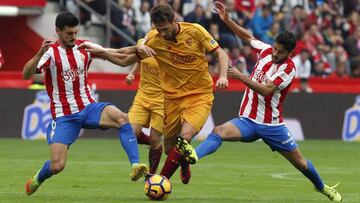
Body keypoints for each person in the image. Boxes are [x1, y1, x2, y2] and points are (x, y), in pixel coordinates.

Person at [176, 2, 342, 202]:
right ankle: (193, 155)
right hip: (247, 120)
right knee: (218, 131)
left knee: (301, 164)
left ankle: (323, 187)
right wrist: (227, 20)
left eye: (281, 52)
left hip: (272, 126)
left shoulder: (288, 69)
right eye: (275, 48)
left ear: (290, 54)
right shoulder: (265, 51)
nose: (275, 53)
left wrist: (241, 76)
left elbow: (266, 90)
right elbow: (248, 36)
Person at [80, 4, 230, 184]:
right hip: (172, 99)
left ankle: (160, 180)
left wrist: (222, 76)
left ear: (174, 20)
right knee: (169, 149)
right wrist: (102, 53)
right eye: (158, 29)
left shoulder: (195, 31)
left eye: (165, 28)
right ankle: (183, 162)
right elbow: (126, 58)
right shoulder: (154, 39)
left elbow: (221, 53)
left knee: (185, 137)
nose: (162, 33)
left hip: (199, 95)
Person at [22, 11, 151, 196]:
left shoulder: (84, 47)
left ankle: (136, 165)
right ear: (58, 31)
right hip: (64, 116)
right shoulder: (50, 53)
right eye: (69, 34)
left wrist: (139, 51)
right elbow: (26, 74)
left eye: (75, 32)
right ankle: (39, 178)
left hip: (88, 107)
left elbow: (119, 57)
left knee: (122, 117)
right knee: (57, 166)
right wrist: (39, 52)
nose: (73, 37)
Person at [125, 38, 164, 174]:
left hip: (162, 99)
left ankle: (151, 175)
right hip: (142, 96)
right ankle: (153, 144)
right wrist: (132, 74)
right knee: (130, 133)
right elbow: (140, 61)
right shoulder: (142, 42)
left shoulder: (170, 47)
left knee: (155, 138)